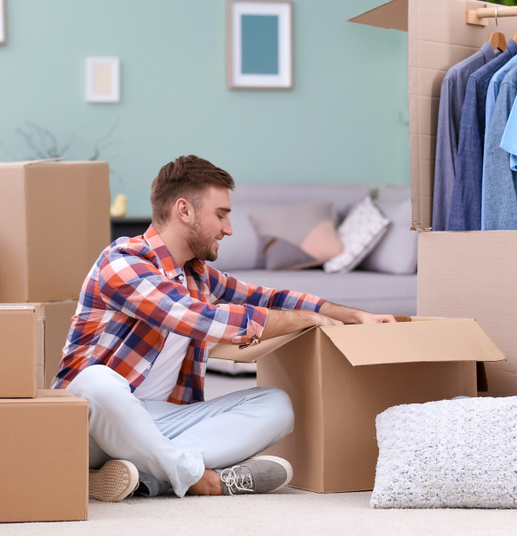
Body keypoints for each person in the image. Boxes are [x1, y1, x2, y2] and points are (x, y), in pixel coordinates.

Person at [53, 155, 395, 501]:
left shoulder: (198, 275)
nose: (228, 229)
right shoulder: (122, 262)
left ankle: (143, 475)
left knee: (276, 406)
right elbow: (196, 318)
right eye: (221, 215)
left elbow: (270, 298)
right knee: (97, 382)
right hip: (91, 424)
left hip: (158, 422)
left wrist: (353, 315)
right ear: (184, 211)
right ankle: (196, 478)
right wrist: (302, 320)